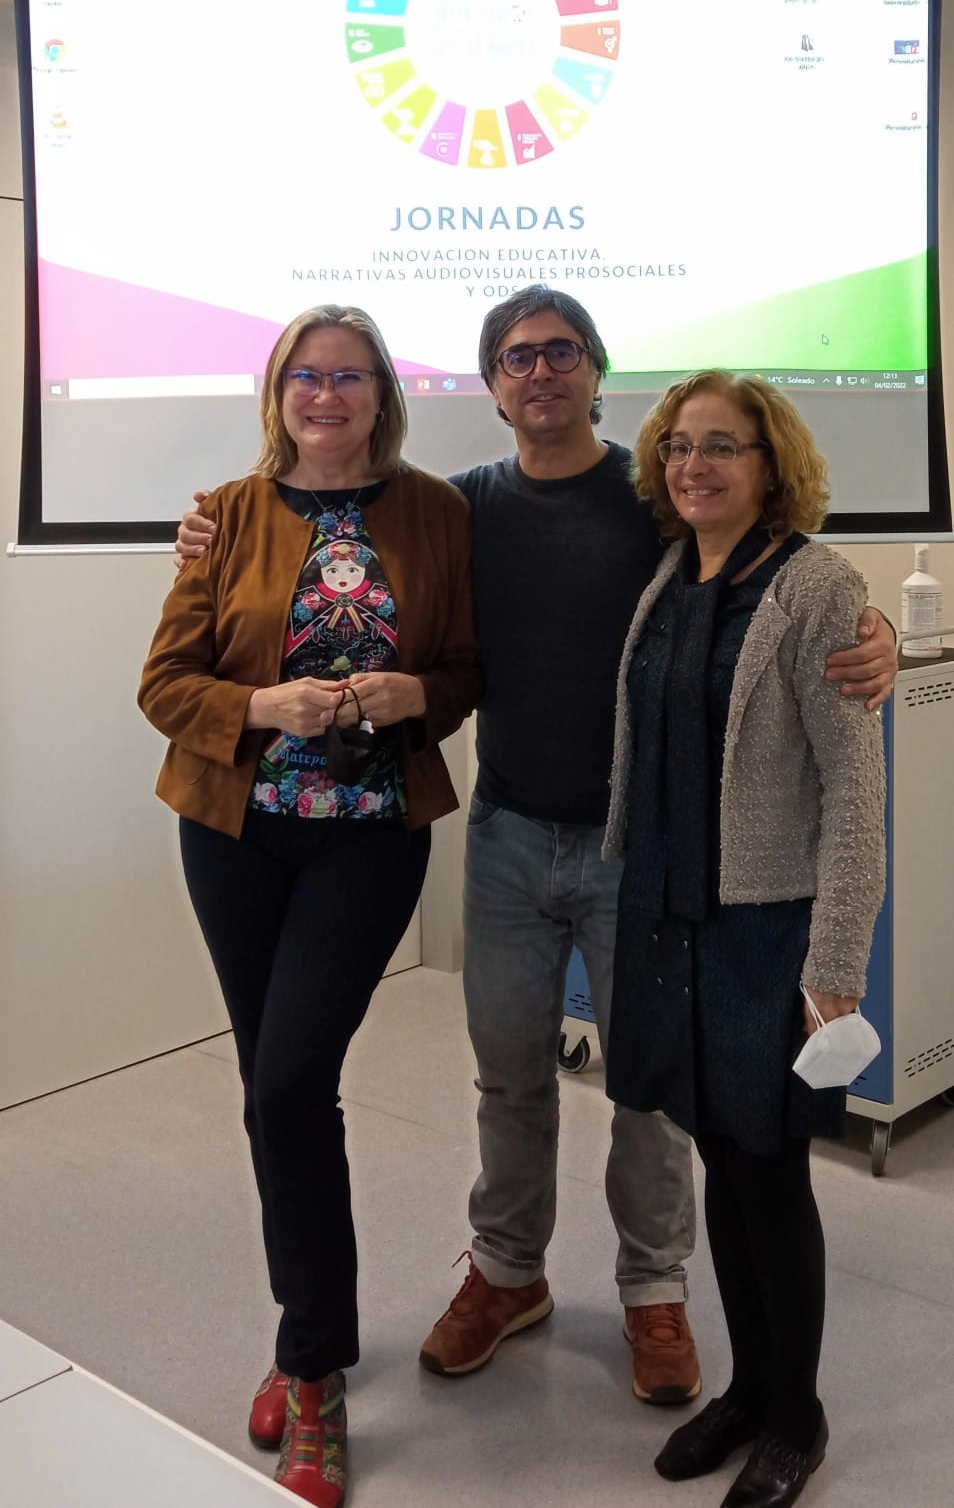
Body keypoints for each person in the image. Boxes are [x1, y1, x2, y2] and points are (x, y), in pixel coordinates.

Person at [174, 287, 896, 1414]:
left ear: (597, 371)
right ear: (492, 384)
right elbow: (362, 568)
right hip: (506, 833)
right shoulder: (460, 506)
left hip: (636, 848)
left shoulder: (656, 499)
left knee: (646, 1088)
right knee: (509, 1072)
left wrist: (876, 626)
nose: (541, 371)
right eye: (516, 356)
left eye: (562, 351)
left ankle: (654, 1287)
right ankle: (509, 1270)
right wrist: (209, 531)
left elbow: (768, 560)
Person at [140, 304, 481, 1508]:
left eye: (349, 375)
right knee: (270, 1091)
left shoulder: (437, 512)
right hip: (234, 835)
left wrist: (413, 695)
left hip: (369, 840)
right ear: (277, 390)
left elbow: (466, 671)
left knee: (290, 1083)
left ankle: (313, 1373)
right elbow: (164, 683)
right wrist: (259, 708)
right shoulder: (225, 514)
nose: (326, 394)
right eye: (305, 375)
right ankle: (308, 1336)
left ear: (383, 392)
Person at [603, 371, 886, 1508]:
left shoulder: (818, 586)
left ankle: (797, 1414)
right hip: (668, 913)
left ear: (773, 465)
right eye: (679, 445)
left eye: (723, 445)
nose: (694, 465)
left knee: (770, 1172)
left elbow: (855, 791)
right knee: (719, 1154)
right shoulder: (670, 572)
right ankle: (750, 1387)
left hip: (767, 928)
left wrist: (836, 969)